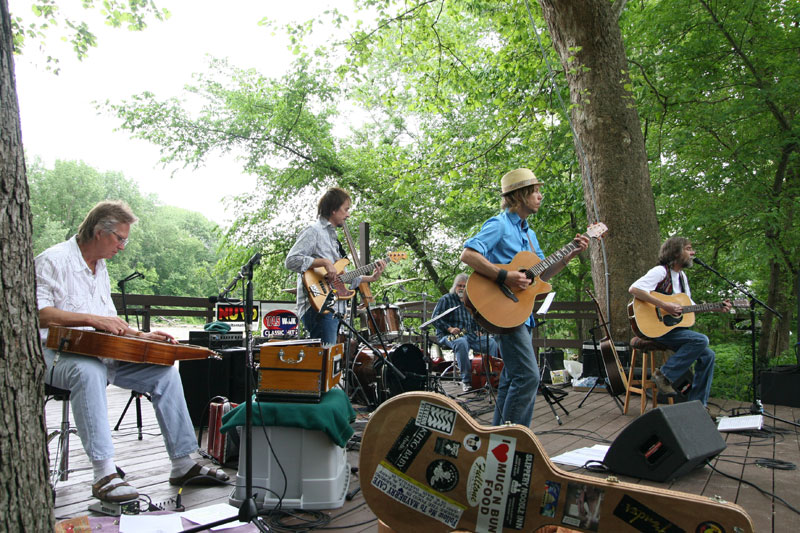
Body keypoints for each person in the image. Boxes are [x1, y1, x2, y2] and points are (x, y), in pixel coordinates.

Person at [37, 201, 228, 504]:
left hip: (101, 352)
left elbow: (111, 322)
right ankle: (103, 474)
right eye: (120, 239)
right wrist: (91, 319)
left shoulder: (100, 268)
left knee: (164, 373)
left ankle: (183, 463)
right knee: (90, 371)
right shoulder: (53, 260)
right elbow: (39, 314)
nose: (122, 247)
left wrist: (142, 335)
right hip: (56, 354)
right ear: (100, 232)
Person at [461, 168, 588, 427]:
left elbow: (541, 274)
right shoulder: (499, 224)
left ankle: (498, 437)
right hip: (503, 310)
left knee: (511, 378)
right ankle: (513, 441)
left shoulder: (530, 235)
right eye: (536, 191)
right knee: (529, 377)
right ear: (519, 195)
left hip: (521, 313)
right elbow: (468, 255)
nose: (541, 196)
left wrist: (569, 255)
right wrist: (504, 277)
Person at [628, 236, 730, 406]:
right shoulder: (660, 271)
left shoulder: (682, 277)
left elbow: (688, 306)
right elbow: (635, 289)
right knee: (701, 339)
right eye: (688, 248)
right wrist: (664, 305)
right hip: (656, 329)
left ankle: (697, 405)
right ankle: (664, 375)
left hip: (673, 330)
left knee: (709, 355)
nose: (693, 252)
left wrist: (714, 307)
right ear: (676, 252)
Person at [285, 187, 385, 345]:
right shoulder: (313, 231)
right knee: (325, 361)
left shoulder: (333, 238)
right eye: (345, 209)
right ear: (333, 210)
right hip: (317, 306)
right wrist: (324, 262)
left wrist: (371, 277)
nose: (348, 214)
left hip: (333, 308)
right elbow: (291, 261)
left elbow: (339, 278)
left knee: (331, 361)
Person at [431, 273, 500, 392]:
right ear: (455, 286)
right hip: (450, 336)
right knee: (461, 342)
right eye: (459, 286)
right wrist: (450, 328)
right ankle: (466, 380)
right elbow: (435, 318)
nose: (461, 288)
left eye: (464, 286)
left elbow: (473, 321)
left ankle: (489, 379)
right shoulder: (446, 299)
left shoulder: (470, 301)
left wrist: (478, 330)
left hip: (469, 334)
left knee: (491, 342)